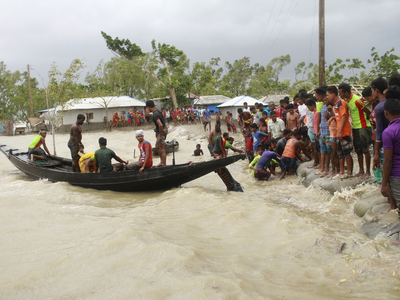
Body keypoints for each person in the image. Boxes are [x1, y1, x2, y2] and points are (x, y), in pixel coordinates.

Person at [338, 83, 372, 178]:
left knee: (366, 149)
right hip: (355, 127)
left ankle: (368, 173)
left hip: (363, 126)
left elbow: (368, 112)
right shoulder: (346, 100)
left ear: (346, 92)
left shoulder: (357, 100)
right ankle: (361, 171)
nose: (339, 95)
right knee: (358, 149)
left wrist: (371, 125)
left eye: (341, 93)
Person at [327, 85, 353, 177]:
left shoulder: (341, 103)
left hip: (344, 132)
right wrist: (332, 118)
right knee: (340, 153)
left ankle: (349, 172)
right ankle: (341, 171)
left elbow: (344, 116)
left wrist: (339, 131)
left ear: (333, 94)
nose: (327, 97)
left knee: (347, 152)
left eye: (328, 95)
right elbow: (339, 116)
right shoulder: (337, 104)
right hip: (339, 131)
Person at [381, 99, 400, 217]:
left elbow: (388, 160)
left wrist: (384, 184)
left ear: (386, 113)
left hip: (397, 174)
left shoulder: (388, 132)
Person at [371, 77, 389, 174]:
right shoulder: (392, 103)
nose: (372, 93)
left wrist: (376, 152)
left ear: (376, 90)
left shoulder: (379, 108)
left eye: (372, 91)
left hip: (384, 144)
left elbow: (379, 130)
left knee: (386, 173)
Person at [146, 100, 168, 167]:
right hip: (161, 130)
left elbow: (160, 125)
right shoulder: (158, 111)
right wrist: (157, 131)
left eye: (147, 108)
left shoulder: (154, 115)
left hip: (162, 130)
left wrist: (160, 136)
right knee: (157, 146)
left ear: (149, 107)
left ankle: (164, 165)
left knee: (162, 148)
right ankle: (161, 161)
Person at [306, 99, 321, 169]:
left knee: (316, 148)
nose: (309, 109)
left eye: (309, 107)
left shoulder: (317, 111)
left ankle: (318, 162)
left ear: (312, 106)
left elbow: (318, 121)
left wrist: (317, 131)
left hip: (316, 131)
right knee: (316, 148)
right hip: (314, 131)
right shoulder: (314, 111)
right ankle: (317, 162)